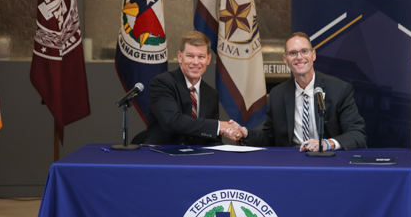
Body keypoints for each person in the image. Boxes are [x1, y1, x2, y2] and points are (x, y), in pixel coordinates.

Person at [235, 32, 366, 151]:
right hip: (291, 163)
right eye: (292, 53)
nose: (299, 57)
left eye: (304, 51)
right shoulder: (278, 94)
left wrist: (327, 143)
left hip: (328, 161)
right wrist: (246, 133)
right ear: (285, 60)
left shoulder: (339, 90)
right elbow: (270, 137)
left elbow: (357, 134)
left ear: (313, 55)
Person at [144, 31, 244, 145]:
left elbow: (212, 139)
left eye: (201, 57)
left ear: (208, 59)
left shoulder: (211, 94)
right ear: (180, 57)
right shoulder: (163, 83)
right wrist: (219, 126)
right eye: (190, 56)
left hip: (197, 159)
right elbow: (173, 122)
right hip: (163, 157)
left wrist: (229, 135)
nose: (196, 62)